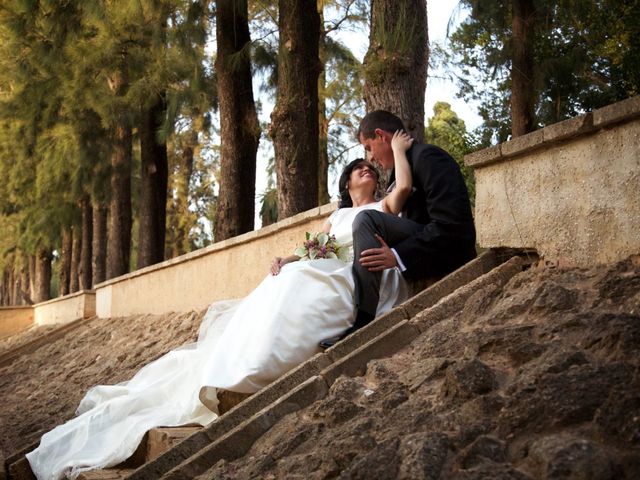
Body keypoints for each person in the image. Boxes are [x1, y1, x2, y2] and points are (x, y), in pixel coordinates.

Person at [26, 132, 414, 480]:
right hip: (323, 263)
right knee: (284, 279)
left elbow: (404, 190)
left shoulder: (381, 206)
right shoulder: (337, 215)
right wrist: (286, 258)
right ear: (347, 182)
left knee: (300, 283)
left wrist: (397, 150)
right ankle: (244, 358)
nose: (367, 170)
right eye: (359, 168)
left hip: (355, 273)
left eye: (370, 167)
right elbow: (313, 246)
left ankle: (263, 360)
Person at [320, 110, 476, 348]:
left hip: (446, 253)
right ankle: (360, 319)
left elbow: (451, 226)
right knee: (364, 221)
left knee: (365, 219)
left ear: (381, 136)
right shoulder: (403, 168)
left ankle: (363, 322)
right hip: (415, 256)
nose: (370, 158)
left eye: (369, 148)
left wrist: (397, 255)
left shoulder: (429, 157)